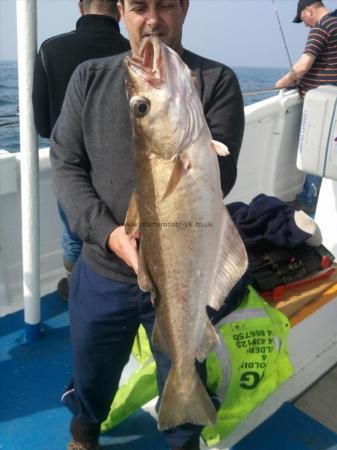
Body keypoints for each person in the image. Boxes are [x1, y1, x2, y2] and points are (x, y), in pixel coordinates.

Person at [50, 1, 245, 449]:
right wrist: (109, 233)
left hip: (188, 268)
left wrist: (184, 110)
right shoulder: (89, 78)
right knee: (91, 365)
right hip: (105, 264)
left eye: (165, 6)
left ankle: (184, 438)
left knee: (183, 358)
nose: (153, 20)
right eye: (139, 7)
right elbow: (65, 164)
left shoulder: (216, 81)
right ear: (121, 10)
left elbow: (225, 173)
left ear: (184, 8)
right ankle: (83, 434)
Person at [32, 0, 130, 300]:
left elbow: (44, 125)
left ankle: (77, 289)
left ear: (80, 7)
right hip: (123, 168)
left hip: (71, 166)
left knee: (75, 235)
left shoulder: (51, 49)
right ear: (120, 9)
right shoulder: (136, 52)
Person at [275, 0, 337, 212]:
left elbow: (302, 66)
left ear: (310, 10)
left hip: (323, 105)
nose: (306, 26)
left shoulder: (322, 28)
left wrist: (281, 83)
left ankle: (309, 202)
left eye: (304, 19)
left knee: (317, 150)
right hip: (333, 101)